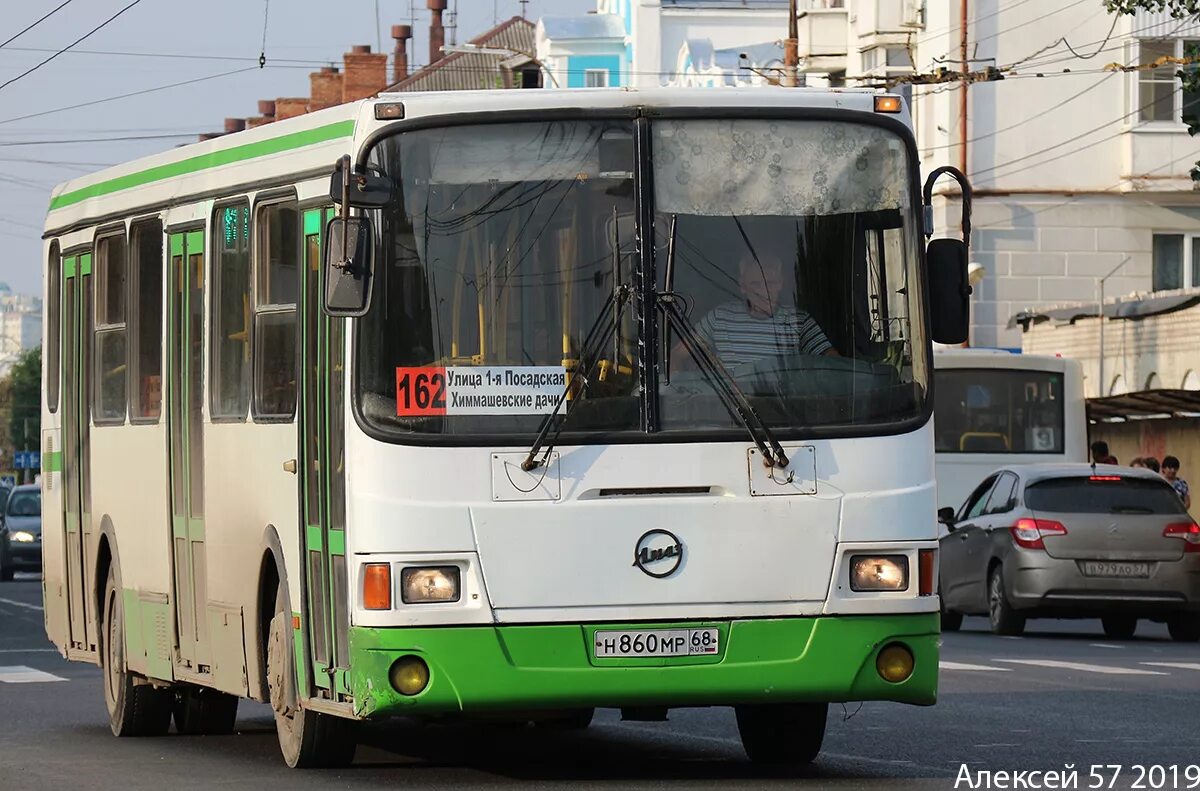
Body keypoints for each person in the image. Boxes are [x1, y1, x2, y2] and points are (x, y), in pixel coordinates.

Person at [690, 251, 837, 367]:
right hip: (730, 403)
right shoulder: (720, 317)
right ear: (742, 286)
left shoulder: (798, 320)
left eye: (771, 283)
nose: (764, 291)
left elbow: (833, 361)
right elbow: (678, 355)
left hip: (784, 403)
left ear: (780, 284)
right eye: (755, 284)